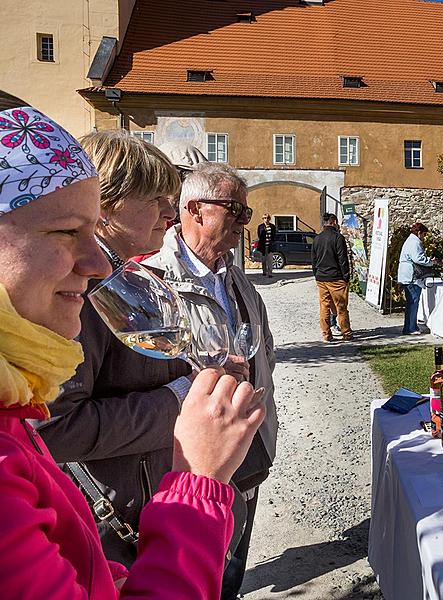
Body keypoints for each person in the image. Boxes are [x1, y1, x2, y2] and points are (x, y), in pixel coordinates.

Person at [0, 106, 264, 597]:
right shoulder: (81, 301)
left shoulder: (16, 396)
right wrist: (187, 426)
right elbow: (59, 426)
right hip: (135, 515)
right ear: (113, 205)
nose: (171, 211)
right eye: (66, 230)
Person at [36, 129, 200, 566]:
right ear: (103, 205)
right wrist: (181, 400)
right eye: (156, 199)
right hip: (109, 528)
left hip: (138, 505)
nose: (171, 212)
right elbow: (54, 428)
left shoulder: (123, 274)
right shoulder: (78, 288)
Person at [144, 162, 278, 599]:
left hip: (245, 450)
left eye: (246, 211)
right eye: (236, 210)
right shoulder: (150, 282)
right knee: (196, 574)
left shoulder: (234, 275)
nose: (246, 221)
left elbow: (266, 351)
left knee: (233, 565)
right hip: (189, 464)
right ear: (196, 209)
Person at [312, 212, 353, 342]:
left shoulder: (317, 239)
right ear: (334, 222)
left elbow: (313, 260)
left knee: (324, 306)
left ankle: (326, 334)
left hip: (321, 277)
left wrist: (316, 274)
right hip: (336, 278)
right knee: (341, 307)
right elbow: (342, 259)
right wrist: (346, 276)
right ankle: (346, 333)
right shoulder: (338, 237)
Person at [397, 222, 439, 335]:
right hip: (412, 276)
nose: (424, 237)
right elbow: (418, 258)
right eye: (424, 234)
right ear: (419, 233)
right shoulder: (415, 242)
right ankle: (411, 328)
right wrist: (431, 262)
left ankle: (410, 326)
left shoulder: (410, 241)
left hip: (407, 274)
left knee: (411, 302)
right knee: (413, 302)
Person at [257, 213, 277, 278]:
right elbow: (259, 235)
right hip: (263, 246)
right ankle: (264, 272)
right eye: (265, 218)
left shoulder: (272, 226)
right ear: (263, 219)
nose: (266, 219)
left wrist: (273, 242)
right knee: (263, 260)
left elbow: (274, 235)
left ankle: (270, 273)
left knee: (270, 260)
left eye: (267, 218)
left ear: (269, 219)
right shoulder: (260, 226)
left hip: (270, 246)